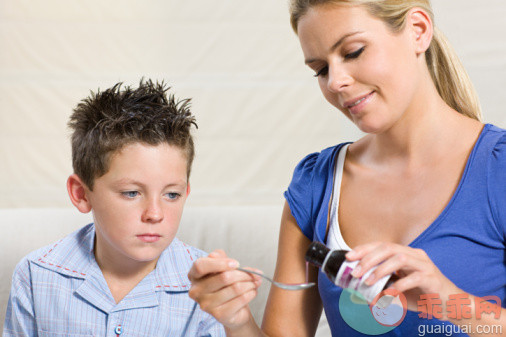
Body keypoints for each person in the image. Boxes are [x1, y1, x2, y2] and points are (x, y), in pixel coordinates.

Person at [187, 1, 506, 336]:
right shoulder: (316, 185)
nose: (336, 81)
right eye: (321, 69)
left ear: (418, 30)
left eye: (353, 52)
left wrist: (447, 300)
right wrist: (236, 319)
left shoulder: (497, 170)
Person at [3, 79, 225, 336]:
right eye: (131, 193)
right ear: (81, 194)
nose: (155, 214)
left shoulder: (207, 286)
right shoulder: (35, 276)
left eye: (171, 194)